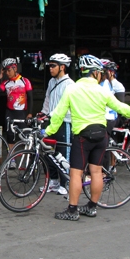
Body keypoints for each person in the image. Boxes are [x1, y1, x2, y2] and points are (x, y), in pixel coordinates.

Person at [46, 55, 130, 221]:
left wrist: (47, 131)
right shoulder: (102, 90)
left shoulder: (72, 89)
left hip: (82, 136)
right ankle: (91, 207)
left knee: (76, 174)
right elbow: (121, 107)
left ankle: (72, 210)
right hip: (101, 135)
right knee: (96, 171)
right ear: (95, 73)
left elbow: (59, 115)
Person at [39, 53, 74, 195]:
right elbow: (47, 99)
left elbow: (66, 107)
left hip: (64, 122)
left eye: (53, 66)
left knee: (62, 153)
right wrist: (43, 113)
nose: (50, 68)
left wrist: (51, 113)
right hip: (51, 122)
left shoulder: (70, 84)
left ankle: (65, 183)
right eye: (49, 65)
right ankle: (53, 181)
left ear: (62, 67)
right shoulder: (51, 82)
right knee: (48, 152)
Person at [0, 58, 34, 151]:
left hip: (22, 113)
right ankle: (11, 159)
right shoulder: (6, 83)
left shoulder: (25, 81)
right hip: (10, 113)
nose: (7, 73)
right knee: (10, 136)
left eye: (9, 70)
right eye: (6, 71)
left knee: (25, 137)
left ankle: (28, 158)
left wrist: (30, 113)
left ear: (15, 68)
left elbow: (30, 98)